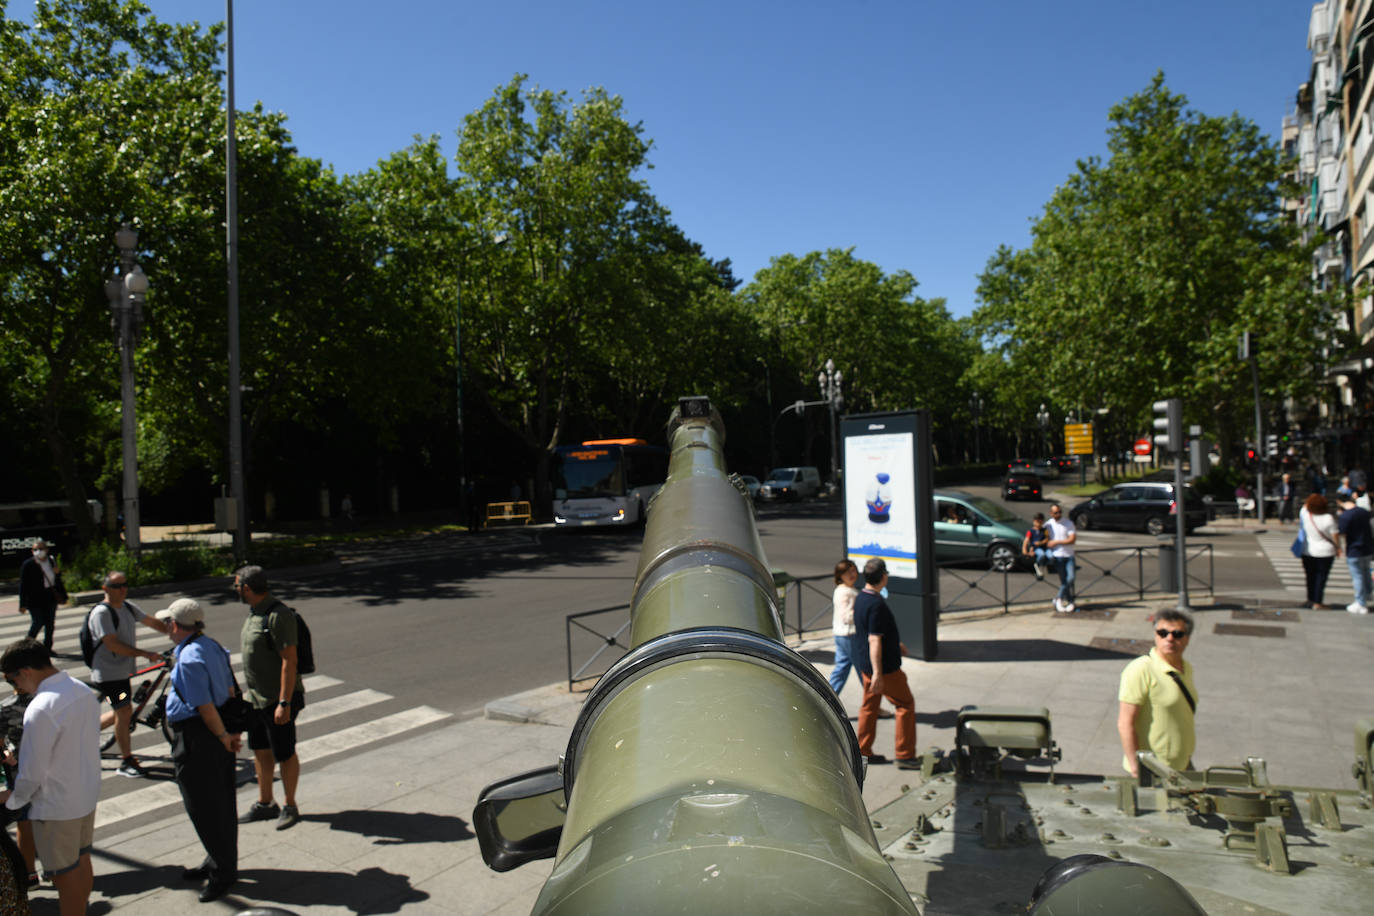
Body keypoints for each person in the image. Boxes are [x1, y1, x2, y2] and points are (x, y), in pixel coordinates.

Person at [0, 639, 100, 916]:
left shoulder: (42, 706)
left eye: (14, 680)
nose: (17, 688)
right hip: (85, 795)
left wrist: (13, 800)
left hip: (55, 805)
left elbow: (32, 771)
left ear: (26, 671)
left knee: (64, 876)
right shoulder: (82, 690)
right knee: (81, 861)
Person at [158, 598, 242, 903]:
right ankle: (216, 859)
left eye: (167, 622)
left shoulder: (190, 657)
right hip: (217, 730)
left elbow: (204, 706)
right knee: (220, 801)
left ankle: (223, 873)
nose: (166, 627)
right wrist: (230, 732)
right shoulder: (212, 645)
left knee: (203, 806)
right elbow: (231, 690)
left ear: (176, 625)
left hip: (200, 736)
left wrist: (222, 735)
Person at [234, 565, 304, 830]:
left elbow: (290, 661)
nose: (235, 590)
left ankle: (290, 804)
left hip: (278, 700)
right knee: (260, 751)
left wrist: (284, 702)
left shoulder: (279, 615)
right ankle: (266, 803)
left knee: (284, 753)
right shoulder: (255, 613)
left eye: (236, 585)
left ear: (247, 588)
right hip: (256, 700)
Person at [88, 571, 168, 777]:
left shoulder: (128, 607)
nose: (123, 589)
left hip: (121, 673)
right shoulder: (101, 614)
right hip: (108, 675)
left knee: (120, 710)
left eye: (125, 585)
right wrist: (145, 653)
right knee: (124, 712)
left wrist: (178, 631)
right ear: (105, 589)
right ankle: (126, 762)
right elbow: (112, 644)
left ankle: (81, 736)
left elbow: (151, 622)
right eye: (117, 586)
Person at [849, 559, 918, 770]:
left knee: (869, 708)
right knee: (905, 705)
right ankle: (905, 755)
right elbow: (874, 639)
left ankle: (862, 752)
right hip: (884, 670)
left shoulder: (861, 597)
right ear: (884, 577)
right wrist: (879, 673)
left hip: (867, 666)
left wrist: (896, 645)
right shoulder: (876, 603)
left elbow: (873, 631)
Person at [1117, 609, 1197, 778]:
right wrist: (1136, 768)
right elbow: (1125, 723)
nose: (1169, 638)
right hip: (1153, 770)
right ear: (1155, 635)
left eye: (1177, 634)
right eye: (1163, 633)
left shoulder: (1186, 668)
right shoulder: (1141, 669)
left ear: (1187, 639)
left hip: (1183, 765)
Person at [0, 686, 37, 892]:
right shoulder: (49, 699)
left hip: (20, 775)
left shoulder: (6, 708)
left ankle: (29, 873)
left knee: (25, 822)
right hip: (50, 774)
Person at [1299, 493, 1341, 609]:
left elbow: (1305, 506)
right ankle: (1317, 602)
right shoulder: (1328, 518)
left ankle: (1310, 599)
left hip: (1308, 551)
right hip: (1325, 552)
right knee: (1321, 578)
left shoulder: (1306, 515)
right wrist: (1338, 548)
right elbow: (1335, 536)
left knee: (1309, 577)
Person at [16, 543, 61, 652]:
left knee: (50, 624)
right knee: (38, 622)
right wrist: (22, 604)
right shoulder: (28, 564)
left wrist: (58, 573)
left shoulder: (51, 561)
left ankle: (48, 648)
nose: (38, 551)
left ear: (47, 549)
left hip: (49, 597)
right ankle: (26, 647)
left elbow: (56, 580)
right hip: (34, 599)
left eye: (41, 549)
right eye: (35, 549)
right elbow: (23, 585)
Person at [1336, 494, 1373, 615]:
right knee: (1366, 572)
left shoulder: (1346, 515)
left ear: (1339, 502)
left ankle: (1360, 602)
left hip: (1354, 549)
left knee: (1357, 576)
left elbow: (1341, 532)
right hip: (1367, 547)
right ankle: (1367, 594)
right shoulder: (1364, 512)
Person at [828, 559, 859, 695]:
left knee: (841, 668)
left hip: (842, 634)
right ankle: (872, 706)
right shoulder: (845, 592)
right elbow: (846, 617)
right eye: (847, 572)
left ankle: (828, 700)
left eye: (853, 570)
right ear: (840, 575)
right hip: (850, 634)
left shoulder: (845, 590)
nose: (852, 574)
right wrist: (863, 614)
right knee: (865, 670)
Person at [1045, 504, 1077, 613]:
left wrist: (1057, 542)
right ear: (1051, 513)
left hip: (1068, 555)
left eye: (1059, 512)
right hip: (1057, 557)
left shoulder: (1068, 523)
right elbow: (1043, 539)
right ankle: (1069, 600)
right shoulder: (1048, 525)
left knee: (1071, 578)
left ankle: (1058, 598)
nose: (1058, 514)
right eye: (1055, 513)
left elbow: (1072, 540)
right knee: (1064, 581)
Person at [1022, 512, 1051, 579]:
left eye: (1041, 522)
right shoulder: (1031, 531)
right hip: (1036, 548)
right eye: (1037, 522)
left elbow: (1047, 538)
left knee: (1051, 556)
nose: (1039, 524)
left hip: (1044, 547)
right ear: (1034, 521)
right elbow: (1026, 541)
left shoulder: (1044, 530)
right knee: (1041, 554)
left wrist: (1041, 542)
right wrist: (1024, 551)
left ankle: (1045, 564)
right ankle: (1038, 565)